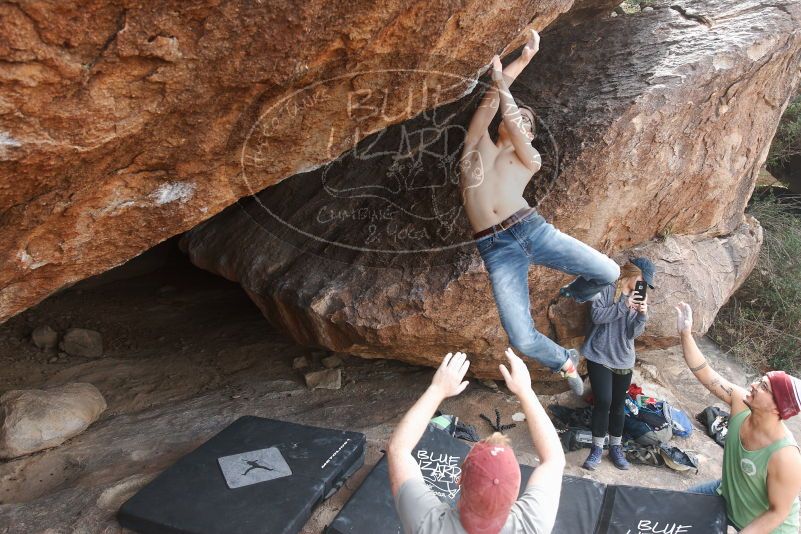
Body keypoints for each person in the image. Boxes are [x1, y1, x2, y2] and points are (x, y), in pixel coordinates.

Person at [460, 30, 620, 396]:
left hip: (532, 230)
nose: (523, 126)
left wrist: (502, 80)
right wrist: (521, 62)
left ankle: (574, 293)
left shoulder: (530, 160)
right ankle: (563, 360)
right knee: (521, 337)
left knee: (609, 272)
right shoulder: (476, 144)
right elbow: (491, 105)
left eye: (529, 126)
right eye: (520, 120)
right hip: (497, 248)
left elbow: (514, 123)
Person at [388, 348, 564, 533]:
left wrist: (437, 389)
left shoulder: (427, 525)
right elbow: (554, 459)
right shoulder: (532, 524)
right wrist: (525, 391)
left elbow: (398, 450)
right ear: (516, 491)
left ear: (459, 479)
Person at [677, 302, 801, 532]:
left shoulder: (786, 457)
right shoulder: (740, 402)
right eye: (760, 380)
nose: (753, 386)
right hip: (727, 496)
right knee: (670, 509)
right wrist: (686, 333)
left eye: (764, 387)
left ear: (778, 408)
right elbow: (706, 373)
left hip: (766, 528)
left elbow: (778, 513)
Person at [580, 257, 654, 471]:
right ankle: (596, 449)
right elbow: (596, 316)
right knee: (603, 401)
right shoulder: (606, 287)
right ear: (632, 272)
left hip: (624, 358)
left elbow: (632, 333)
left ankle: (615, 448)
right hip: (599, 354)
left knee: (618, 405)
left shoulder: (637, 297)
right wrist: (624, 305)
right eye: (642, 280)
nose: (644, 286)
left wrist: (642, 316)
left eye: (646, 284)